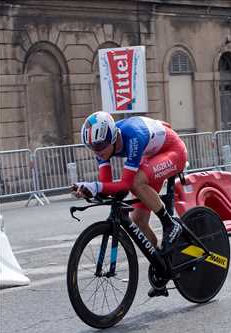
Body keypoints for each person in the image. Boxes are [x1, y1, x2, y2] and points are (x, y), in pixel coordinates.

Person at [73, 111, 187, 297]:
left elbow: (125, 184)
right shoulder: (102, 147)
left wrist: (96, 186)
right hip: (152, 157)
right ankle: (162, 265)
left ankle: (169, 223)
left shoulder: (132, 134)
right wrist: (88, 189)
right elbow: (107, 186)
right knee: (139, 220)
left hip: (173, 151)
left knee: (136, 183)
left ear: (112, 136)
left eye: (100, 145)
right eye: (92, 147)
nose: (98, 151)